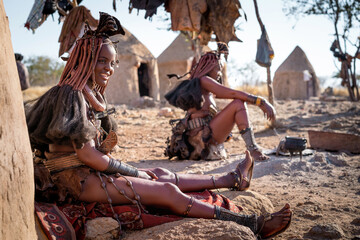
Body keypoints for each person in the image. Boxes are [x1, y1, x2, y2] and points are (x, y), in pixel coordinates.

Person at [26, 12, 291, 239]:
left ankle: (232, 179)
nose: (109, 68)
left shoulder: (86, 93)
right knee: (165, 190)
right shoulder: (70, 95)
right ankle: (253, 224)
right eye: (101, 61)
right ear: (83, 60)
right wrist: (134, 173)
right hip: (75, 180)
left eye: (112, 62)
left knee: (160, 172)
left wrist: (139, 172)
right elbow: (87, 155)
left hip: (89, 172)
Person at [164, 43, 275, 161]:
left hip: (204, 138)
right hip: (200, 140)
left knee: (237, 104)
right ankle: (253, 150)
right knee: (238, 104)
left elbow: (230, 95)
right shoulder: (204, 80)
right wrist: (261, 102)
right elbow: (233, 94)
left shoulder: (206, 90)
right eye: (218, 69)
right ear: (209, 68)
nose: (219, 73)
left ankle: (252, 148)